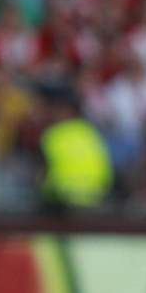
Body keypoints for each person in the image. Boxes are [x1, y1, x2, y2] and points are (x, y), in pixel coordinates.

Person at [37, 84, 112, 212]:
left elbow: (43, 172)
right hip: (96, 197)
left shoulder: (52, 135)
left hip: (63, 200)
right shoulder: (90, 132)